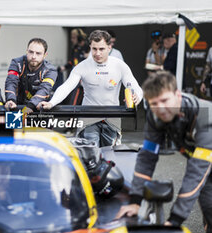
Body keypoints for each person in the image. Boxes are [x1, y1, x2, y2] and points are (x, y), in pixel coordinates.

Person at [116, 71, 212, 232]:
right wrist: (135, 201)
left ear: (178, 95)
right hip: (206, 164)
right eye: (154, 104)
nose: (161, 109)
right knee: (208, 205)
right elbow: (147, 158)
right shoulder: (156, 117)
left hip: (204, 160)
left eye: (165, 101)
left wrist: (175, 220)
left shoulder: (205, 117)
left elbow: (196, 172)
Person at [38, 30, 143, 147]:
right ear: (90, 47)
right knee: (91, 152)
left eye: (101, 49)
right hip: (89, 118)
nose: (97, 53)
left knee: (110, 154)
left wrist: (137, 97)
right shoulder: (82, 66)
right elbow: (66, 87)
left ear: (109, 47)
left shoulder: (120, 66)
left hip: (112, 118)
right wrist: (51, 103)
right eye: (94, 49)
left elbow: (135, 87)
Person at [4, 38, 58, 114]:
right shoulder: (17, 63)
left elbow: (45, 89)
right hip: (17, 106)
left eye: (38, 53)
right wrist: (10, 100)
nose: (33, 56)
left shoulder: (50, 70)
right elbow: (11, 82)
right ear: (27, 51)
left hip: (40, 108)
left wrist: (31, 106)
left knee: (41, 126)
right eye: (31, 52)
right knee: (14, 125)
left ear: (45, 55)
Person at [60, 28, 90, 105]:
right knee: (73, 93)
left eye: (73, 38)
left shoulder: (88, 47)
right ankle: (72, 114)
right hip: (76, 75)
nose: (72, 40)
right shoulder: (75, 48)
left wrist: (89, 56)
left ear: (79, 38)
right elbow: (72, 62)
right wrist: (64, 68)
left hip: (86, 76)